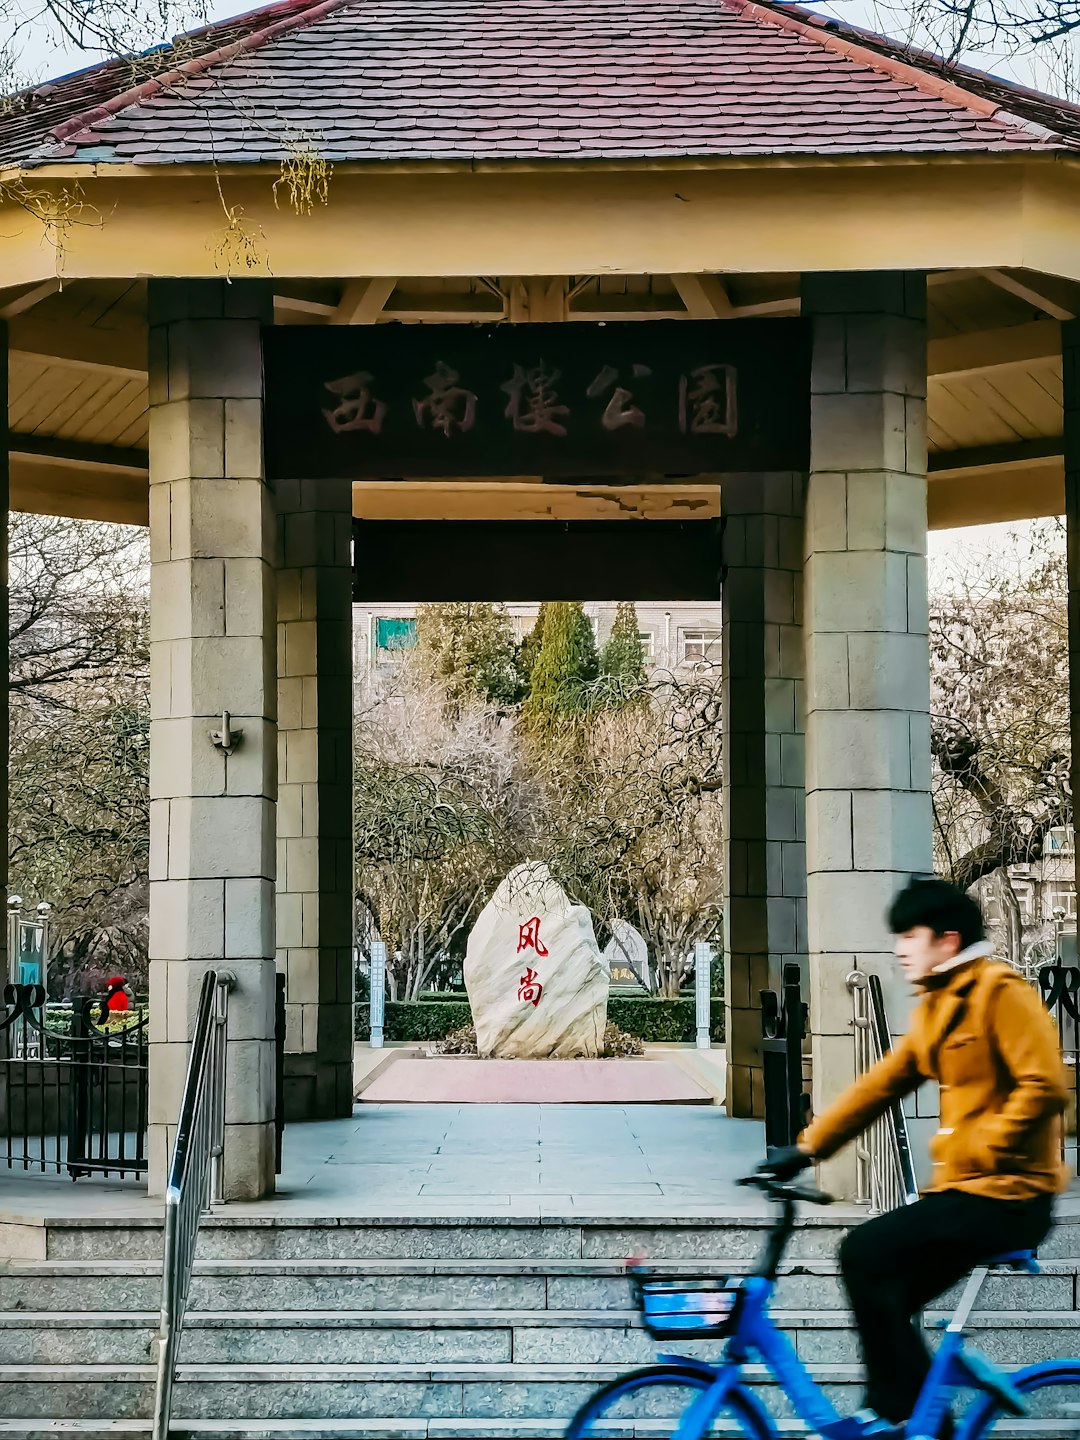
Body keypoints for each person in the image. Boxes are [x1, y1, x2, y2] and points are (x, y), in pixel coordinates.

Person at [761, 876, 1068, 1432]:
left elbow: (1045, 1084)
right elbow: (881, 1085)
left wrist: (982, 1144)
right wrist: (805, 1149)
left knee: (862, 1252)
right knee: (885, 1290)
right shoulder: (937, 1008)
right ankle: (926, 1423)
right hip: (966, 1195)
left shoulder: (1001, 993)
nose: (900, 948)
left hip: (1010, 1196)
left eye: (910, 935)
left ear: (947, 940)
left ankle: (890, 1414)